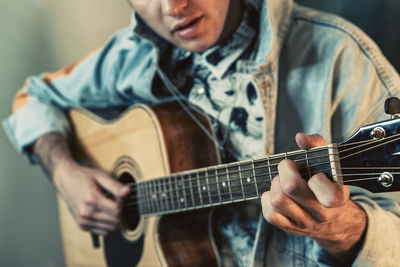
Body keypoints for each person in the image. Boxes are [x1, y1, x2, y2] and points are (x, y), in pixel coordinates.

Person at [3, 0, 400, 266]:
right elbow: (31, 99)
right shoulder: (131, 56)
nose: (173, 7)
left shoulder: (340, 57)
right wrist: (65, 173)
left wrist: (342, 230)